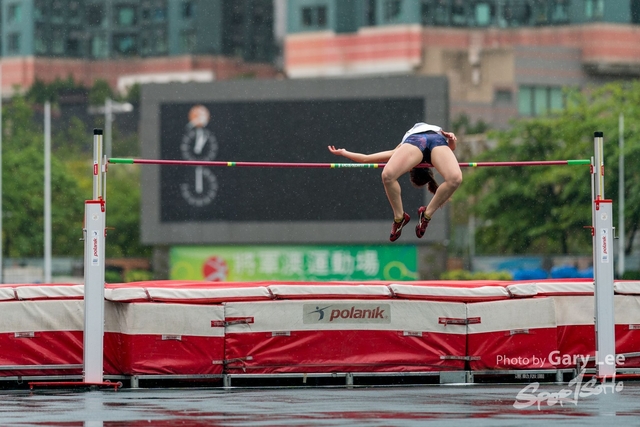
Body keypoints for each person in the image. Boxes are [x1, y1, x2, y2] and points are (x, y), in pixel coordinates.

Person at [328, 122, 462, 242]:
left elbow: (366, 158)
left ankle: (411, 216)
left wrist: (345, 152)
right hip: (435, 138)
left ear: (410, 168)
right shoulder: (423, 154)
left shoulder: (403, 150)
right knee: (454, 178)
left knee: (388, 175)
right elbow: (451, 148)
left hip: (419, 139)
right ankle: (412, 216)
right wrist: (451, 138)